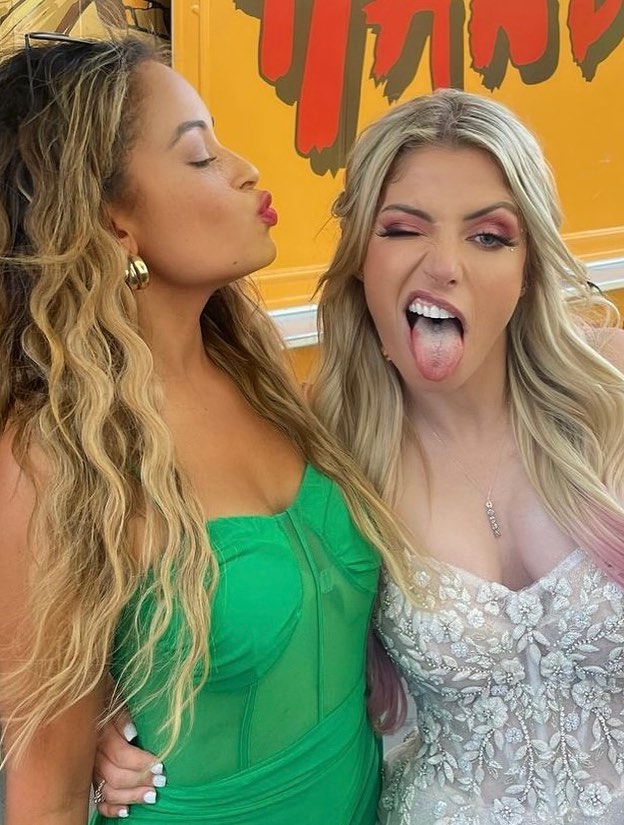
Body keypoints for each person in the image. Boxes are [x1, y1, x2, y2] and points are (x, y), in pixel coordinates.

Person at [93, 90, 624, 824]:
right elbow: (245, 609)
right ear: (361, 258)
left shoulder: (616, 382)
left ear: (528, 265)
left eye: (488, 237)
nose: (444, 266)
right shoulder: (328, 437)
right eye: (404, 229)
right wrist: (105, 715)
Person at [0, 35, 409, 825]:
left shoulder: (263, 380)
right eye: (199, 156)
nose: (245, 169)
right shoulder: (49, 456)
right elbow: (43, 800)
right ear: (115, 224)